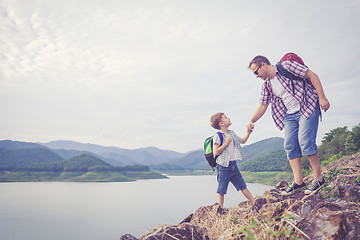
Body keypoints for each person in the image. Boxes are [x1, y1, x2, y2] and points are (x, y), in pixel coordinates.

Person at [247, 55, 330, 196]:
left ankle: (318, 179)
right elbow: (262, 106)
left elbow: (312, 75)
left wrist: (322, 97)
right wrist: (252, 120)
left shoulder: (287, 66)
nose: (256, 76)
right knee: (290, 146)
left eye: (256, 72)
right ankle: (299, 183)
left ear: (263, 65)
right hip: (289, 115)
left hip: (307, 106)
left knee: (305, 142)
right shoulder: (267, 85)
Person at [210, 112, 255, 208]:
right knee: (221, 189)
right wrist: (226, 143)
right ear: (221, 123)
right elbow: (216, 152)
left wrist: (248, 132)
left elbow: (242, 141)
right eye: (226, 118)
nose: (228, 118)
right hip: (223, 166)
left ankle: (254, 203)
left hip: (233, 165)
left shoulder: (231, 133)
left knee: (242, 185)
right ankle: (220, 209)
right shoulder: (218, 135)